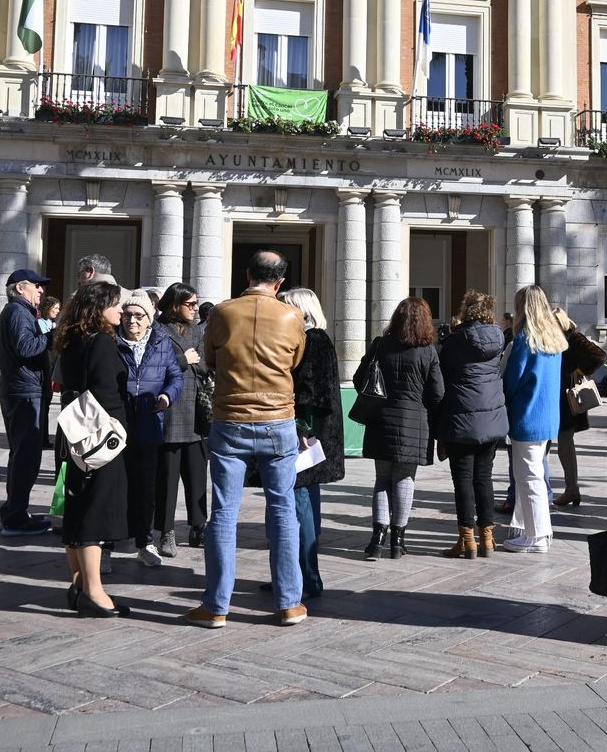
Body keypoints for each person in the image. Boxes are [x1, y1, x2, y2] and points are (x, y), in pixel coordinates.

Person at [186, 251, 308, 629]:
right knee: (283, 508)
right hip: (277, 420)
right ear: (280, 282)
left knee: (223, 512)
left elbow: (211, 359)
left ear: (248, 274)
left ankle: (216, 605)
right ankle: (289, 602)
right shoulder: (292, 316)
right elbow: (295, 361)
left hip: (231, 418)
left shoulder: (222, 312)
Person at [54, 280, 131, 618]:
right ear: (99, 308)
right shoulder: (100, 342)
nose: (122, 310)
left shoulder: (72, 339)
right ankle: (94, 592)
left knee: (77, 506)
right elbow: (106, 391)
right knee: (95, 511)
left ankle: (79, 585)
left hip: (75, 432)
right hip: (100, 438)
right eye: (115, 304)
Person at [354, 297, 445, 560]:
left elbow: (361, 378)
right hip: (415, 423)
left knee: (382, 479)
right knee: (405, 479)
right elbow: (437, 393)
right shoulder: (428, 350)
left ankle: (376, 539)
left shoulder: (381, 345)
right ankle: (398, 540)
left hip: (381, 420)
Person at [435, 290, 509, 559]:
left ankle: (467, 540)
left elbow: (442, 374)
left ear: (465, 311)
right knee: (484, 478)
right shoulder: (498, 337)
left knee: (463, 480)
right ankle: (488, 539)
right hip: (491, 417)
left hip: (461, 417)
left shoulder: (456, 341)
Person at [279, 287, 343, 594]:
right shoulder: (311, 339)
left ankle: (306, 577)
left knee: (299, 502)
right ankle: (294, 572)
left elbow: (313, 391)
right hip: (309, 431)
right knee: (304, 501)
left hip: (305, 433)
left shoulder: (313, 340)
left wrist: (303, 428)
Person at [116, 288, 183, 569]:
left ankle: (145, 542)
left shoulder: (162, 342)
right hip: (116, 427)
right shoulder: (111, 343)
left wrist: (167, 396)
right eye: (128, 315)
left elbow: (175, 375)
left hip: (149, 423)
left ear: (150, 317)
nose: (132, 321)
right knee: (115, 487)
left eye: (138, 316)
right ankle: (109, 544)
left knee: (145, 487)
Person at [501, 285, 568, 553]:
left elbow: (512, 380)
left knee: (528, 477)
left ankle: (536, 535)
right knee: (534, 475)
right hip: (547, 417)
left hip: (526, 416)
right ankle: (537, 530)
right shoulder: (554, 339)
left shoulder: (524, 339)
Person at [154, 283, 212, 557]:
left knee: (197, 475)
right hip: (169, 410)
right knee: (166, 478)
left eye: (196, 304)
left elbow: (203, 364)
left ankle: (199, 526)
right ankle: (165, 531)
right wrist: (182, 358)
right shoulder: (158, 329)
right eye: (190, 304)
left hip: (195, 412)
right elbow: (154, 363)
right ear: (174, 305)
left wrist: (189, 361)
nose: (195, 309)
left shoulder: (197, 330)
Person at [0, 268, 54, 536]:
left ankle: (14, 510)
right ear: (20, 288)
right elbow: (26, 348)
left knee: (21, 454)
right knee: (26, 457)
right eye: (37, 286)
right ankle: (16, 517)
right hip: (23, 392)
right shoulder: (18, 312)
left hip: (22, 389)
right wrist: (48, 334)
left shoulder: (20, 312)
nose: (41, 291)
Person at [552, 308, 607, 507]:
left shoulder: (573, 338)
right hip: (560, 400)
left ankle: (571, 489)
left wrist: (580, 370)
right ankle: (570, 489)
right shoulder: (562, 339)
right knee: (561, 447)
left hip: (568, 401)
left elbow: (599, 355)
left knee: (565, 448)